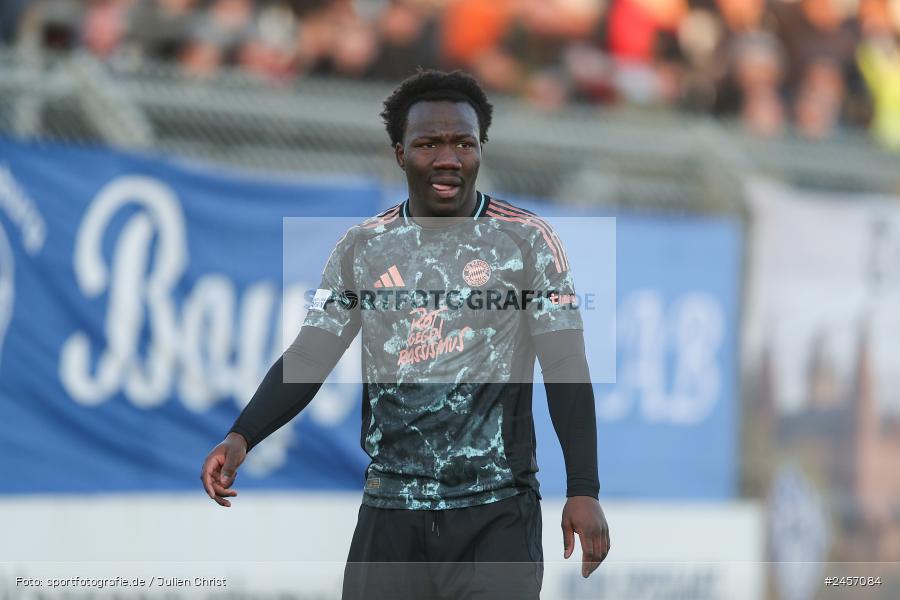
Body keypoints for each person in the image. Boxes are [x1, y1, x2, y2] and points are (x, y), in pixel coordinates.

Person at [200, 69, 610, 600]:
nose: (448, 159)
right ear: (399, 153)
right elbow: (312, 354)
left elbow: (565, 367)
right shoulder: (363, 248)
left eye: (464, 143)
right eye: (428, 144)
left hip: (496, 512)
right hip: (390, 511)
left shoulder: (526, 242)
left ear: (481, 149)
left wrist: (583, 489)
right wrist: (242, 435)